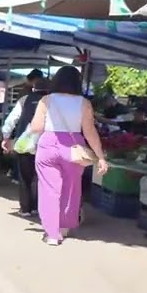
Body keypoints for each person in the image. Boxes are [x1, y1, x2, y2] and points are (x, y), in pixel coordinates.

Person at [28, 65, 109, 246]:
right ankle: (64, 227)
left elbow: (36, 128)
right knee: (71, 189)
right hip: (74, 148)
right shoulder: (84, 103)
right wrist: (100, 157)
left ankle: (52, 234)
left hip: (48, 145)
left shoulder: (46, 100)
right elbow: (90, 131)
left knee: (49, 190)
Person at [1, 77, 50, 217]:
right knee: (40, 177)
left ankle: (26, 209)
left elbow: (12, 119)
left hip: (25, 144)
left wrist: (6, 137)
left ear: (34, 88)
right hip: (46, 144)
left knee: (25, 177)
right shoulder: (53, 102)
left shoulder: (25, 100)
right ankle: (37, 207)